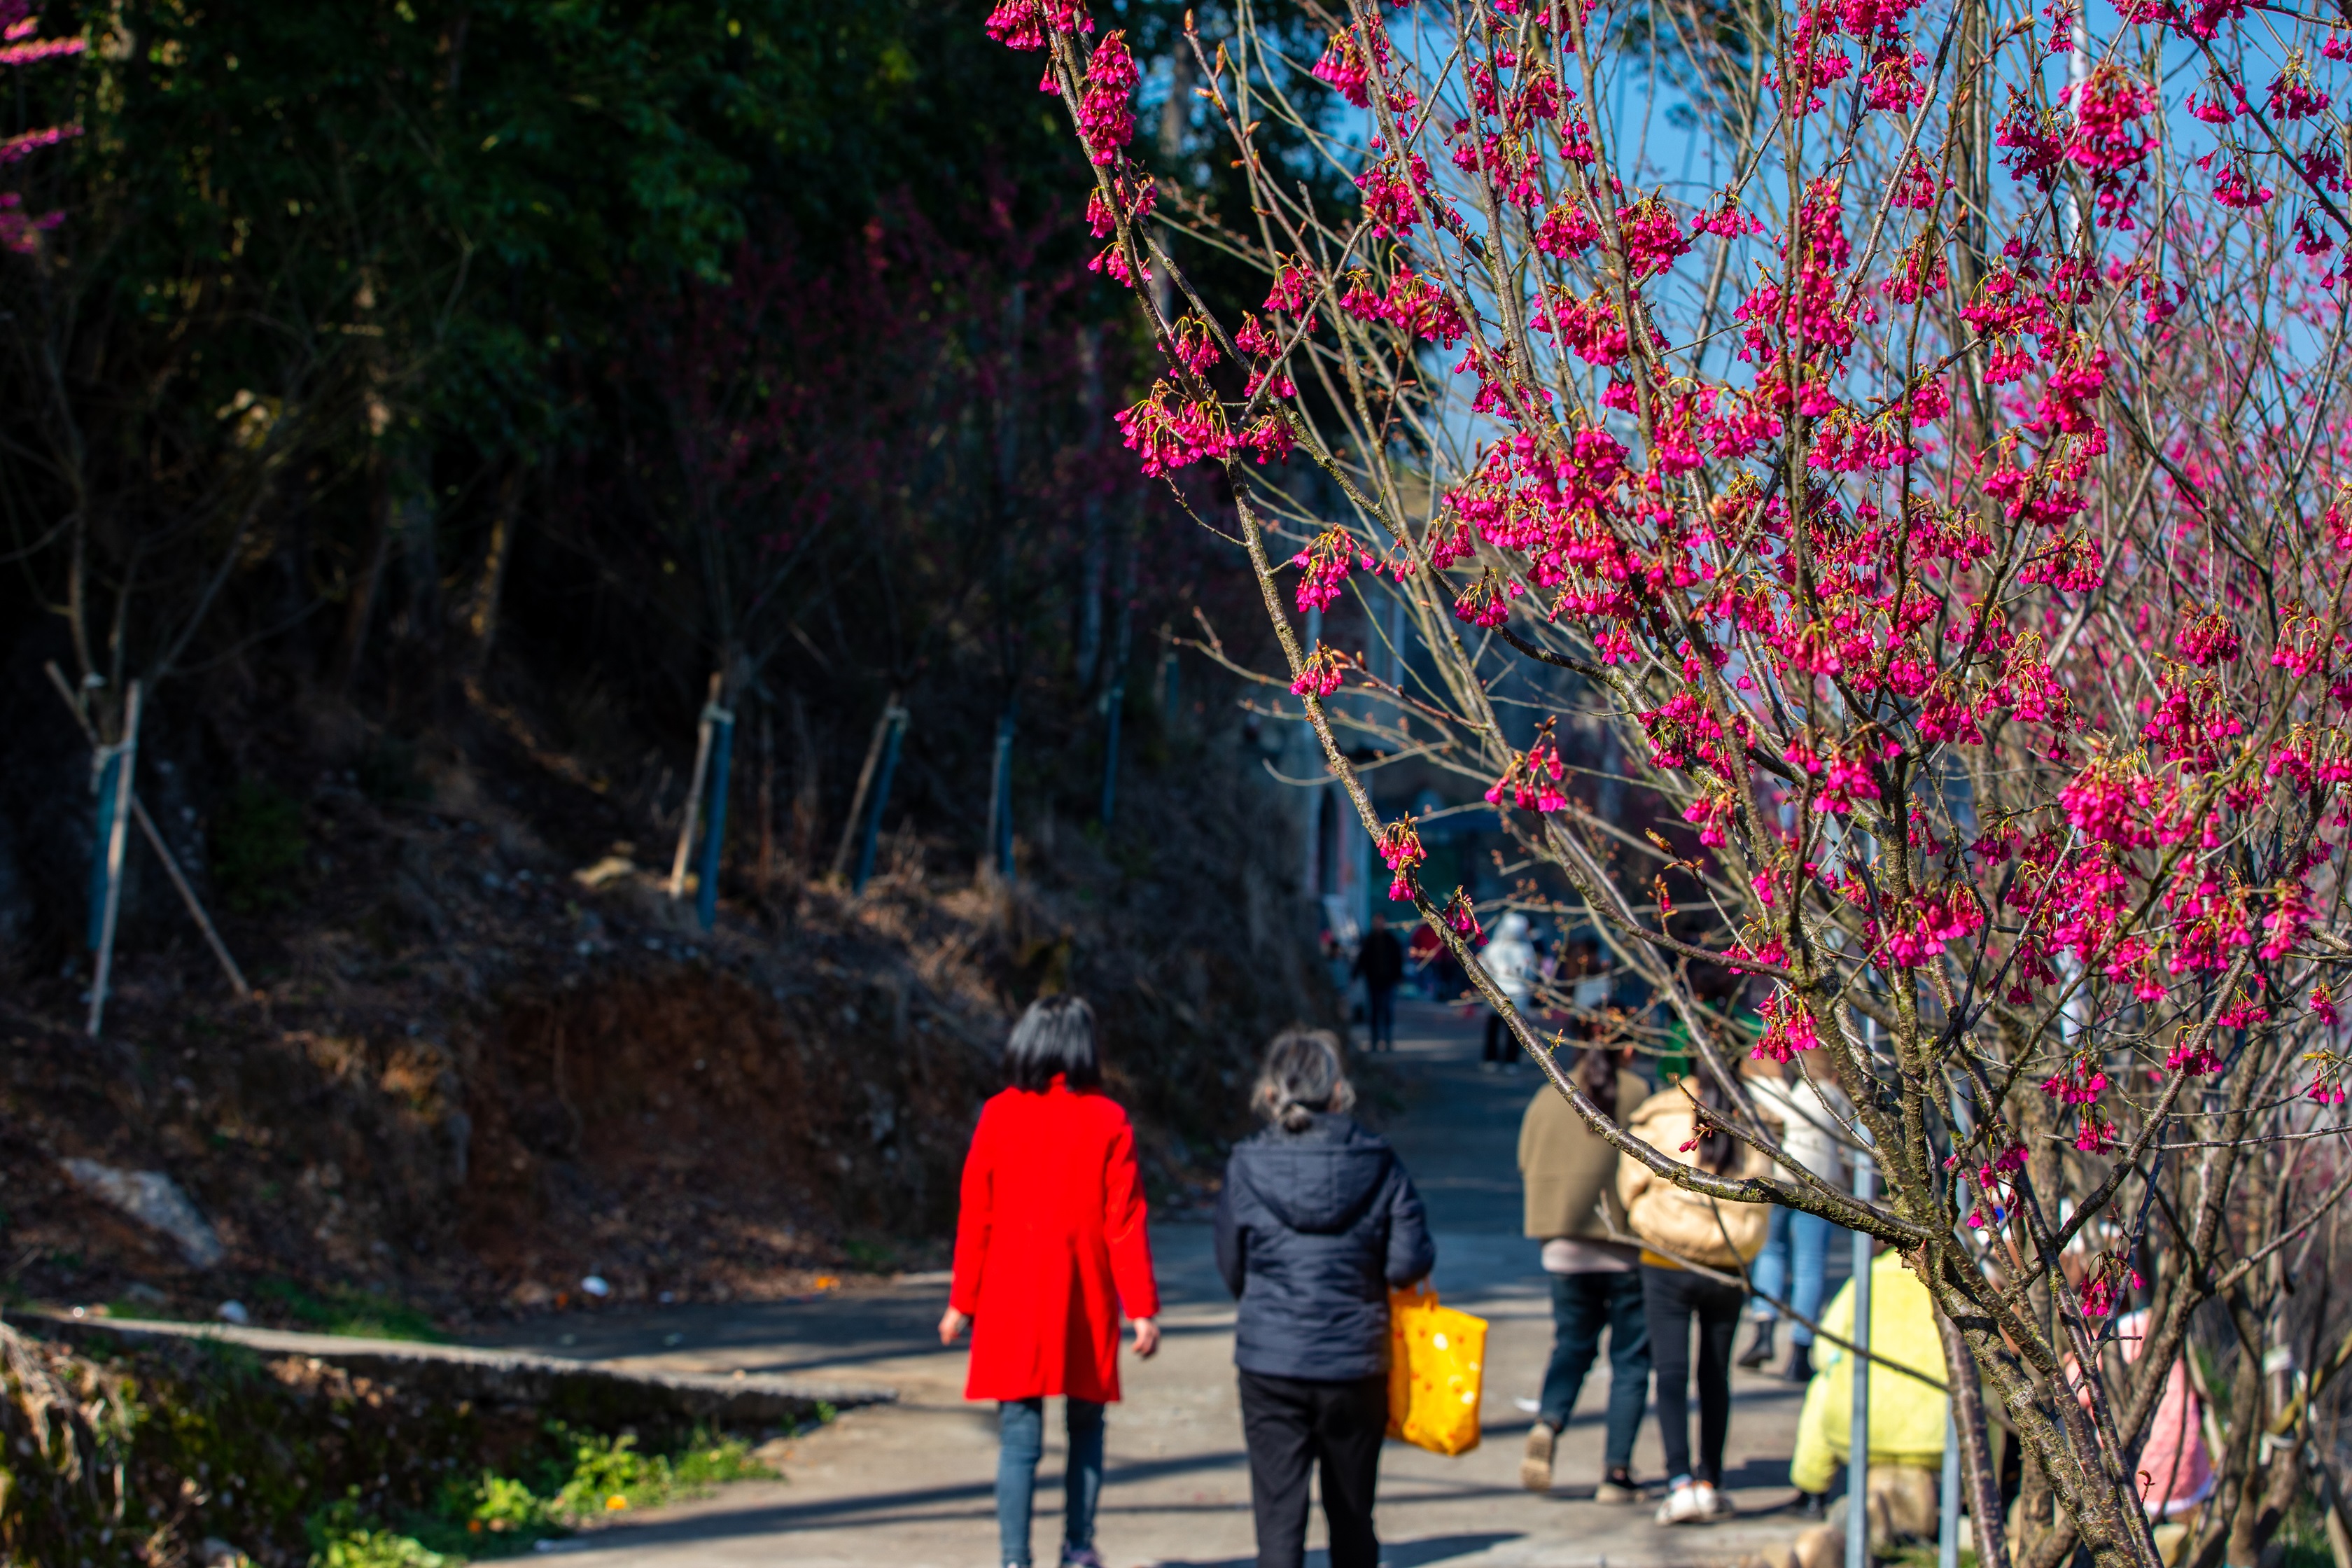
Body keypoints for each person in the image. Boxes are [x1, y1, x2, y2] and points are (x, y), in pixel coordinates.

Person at [944, 995, 1162, 1568]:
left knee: (1019, 1440)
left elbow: (977, 1214)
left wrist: (961, 1301)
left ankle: (1016, 1559)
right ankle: (1079, 1547)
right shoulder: (1108, 1119)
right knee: (1086, 1426)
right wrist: (1140, 1307)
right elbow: (1125, 1222)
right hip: (1084, 1298)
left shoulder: (999, 1114)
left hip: (1010, 1301)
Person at [1217, 1029, 1434, 1568]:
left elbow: (1231, 1266)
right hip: (1355, 1361)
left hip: (1271, 1361)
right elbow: (1409, 1262)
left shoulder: (1246, 1163)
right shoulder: (1378, 1161)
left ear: (1272, 1092)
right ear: (1338, 1090)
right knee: (1353, 1513)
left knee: (1278, 1521)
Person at [1618, 1071, 1777, 1525]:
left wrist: (1645, 1216)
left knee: (1670, 1374)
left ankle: (1679, 1480)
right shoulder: (1752, 1119)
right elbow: (1765, 1192)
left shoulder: (1663, 1111)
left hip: (1666, 1259)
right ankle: (1711, 1479)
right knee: (1715, 1374)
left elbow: (1631, 1180)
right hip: (1727, 1262)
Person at [1517, 1043, 1653, 1502]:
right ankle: (1615, 1474)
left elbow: (1524, 1161)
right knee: (1631, 1361)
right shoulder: (1638, 1093)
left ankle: (1548, 1421)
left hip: (1564, 1247)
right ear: (1629, 1048)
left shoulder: (1548, 1093)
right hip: (1624, 1247)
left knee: (1573, 1344)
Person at [1789, 1246, 1949, 1535]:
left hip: (1860, 1429)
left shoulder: (1865, 1279)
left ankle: (1812, 1490)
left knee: (1823, 1387)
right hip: (1940, 1434)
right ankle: (1982, 1492)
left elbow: (1823, 1353)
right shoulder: (1951, 1287)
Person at [1739, 1054, 1853, 1381]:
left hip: (1774, 1183)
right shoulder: (1831, 1097)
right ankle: (1799, 1353)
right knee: (1810, 1264)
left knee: (1771, 1251)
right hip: (1818, 1187)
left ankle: (1763, 1330)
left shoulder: (1769, 1090)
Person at [1480, 911, 1539, 1069]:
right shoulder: (1525, 949)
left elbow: (1482, 968)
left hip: (1500, 993)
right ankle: (1509, 1060)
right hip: (1515, 994)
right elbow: (1531, 973)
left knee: (1499, 1028)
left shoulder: (1494, 946)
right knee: (1512, 1029)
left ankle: (1495, 1059)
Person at [1352, 916, 1406, 1051]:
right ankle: (1375, 1041)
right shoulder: (1369, 940)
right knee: (1375, 1010)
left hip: (1388, 980)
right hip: (1373, 981)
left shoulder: (1391, 940)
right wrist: (1354, 975)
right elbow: (1362, 959)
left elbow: (1398, 960)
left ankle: (1387, 1040)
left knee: (1387, 1009)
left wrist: (1399, 977)